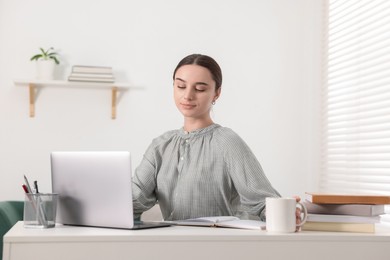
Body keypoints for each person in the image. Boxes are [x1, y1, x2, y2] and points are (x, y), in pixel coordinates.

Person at [132, 54, 281, 222]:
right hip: (170, 242)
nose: (187, 96)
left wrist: (288, 213)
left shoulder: (227, 142)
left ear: (216, 93)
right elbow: (135, 200)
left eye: (200, 89)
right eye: (181, 86)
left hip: (218, 243)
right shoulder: (160, 146)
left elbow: (262, 202)